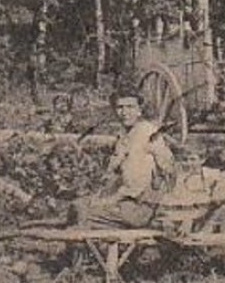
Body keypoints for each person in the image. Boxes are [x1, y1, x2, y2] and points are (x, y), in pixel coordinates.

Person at [71, 92, 177, 229]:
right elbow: (116, 173)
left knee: (83, 212)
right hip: (126, 201)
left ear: (140, 110)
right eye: (120, 107)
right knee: (78, 205)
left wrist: (157, 203)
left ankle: (84, 247)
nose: (124, 112)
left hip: (139, 206)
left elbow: (169, 168)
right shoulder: (125, 136)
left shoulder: (148, 132)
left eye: (130, 107)